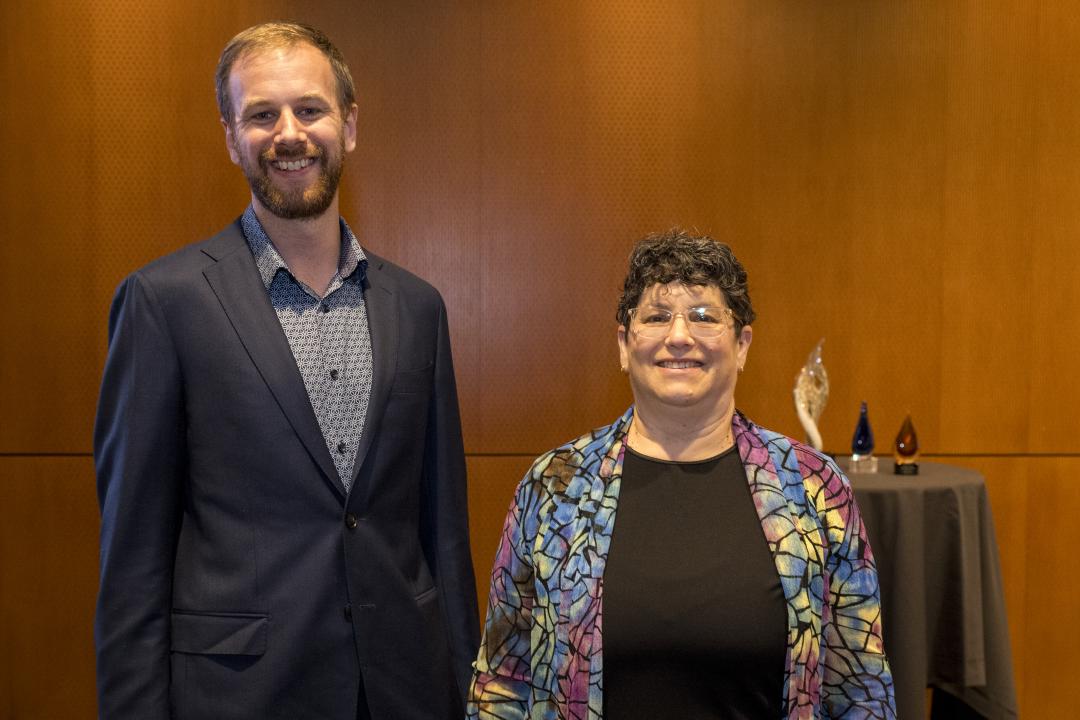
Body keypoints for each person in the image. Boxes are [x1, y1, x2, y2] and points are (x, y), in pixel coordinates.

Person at [94, 22, 478, 720]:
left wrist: (468, 696)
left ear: (349, 125)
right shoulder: (164, 303)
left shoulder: (418, 308)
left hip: (404, 692)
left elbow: (443, 531)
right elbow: (132, 565)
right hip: (240, 695)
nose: (289, 133)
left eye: (310, 109)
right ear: (231, 137)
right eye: (261, 115)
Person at [467, 230, 896, 719]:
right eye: (656, 316)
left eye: (704, 317)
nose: (679, 336)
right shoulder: (555, 486)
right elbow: (502, 682)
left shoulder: (815, 488)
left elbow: (862, 689)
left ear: (742, 345)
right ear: (625, 346)